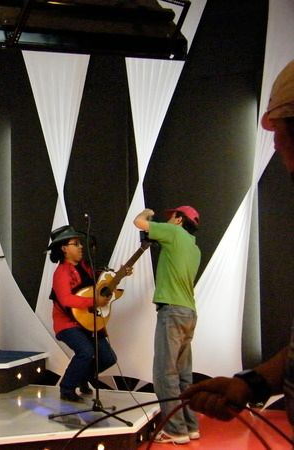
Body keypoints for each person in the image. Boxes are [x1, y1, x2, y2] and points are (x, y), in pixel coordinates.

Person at [182, 60, 294, 426]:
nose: (275, 145)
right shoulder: (190, 245)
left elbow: (142, 222)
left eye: (280, 132)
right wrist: (251, 384)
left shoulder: (171, 234)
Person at [134, 205, 201, 444]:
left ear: (179, 220)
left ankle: (175, 430)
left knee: (165, 373)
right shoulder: (194, 248)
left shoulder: (174, 233)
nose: (169, 220)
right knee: (183, 375)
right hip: (189, 312)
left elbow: (139, 223)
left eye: (172, 216)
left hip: (171, 311)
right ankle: (191, 426)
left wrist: (146, 212)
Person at [48, 225, 117, 402]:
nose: (81, 247)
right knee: (86, 351)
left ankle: (82, 377)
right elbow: (66, 300)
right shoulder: (61, 273)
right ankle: (67, 388)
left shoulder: (85, 267)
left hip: (87, 321)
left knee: (108, 358)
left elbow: (95, 287)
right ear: (64, 248)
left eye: (80, 243)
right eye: (76, 244)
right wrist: (94, 301)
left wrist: (118, 276)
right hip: (68, 324)